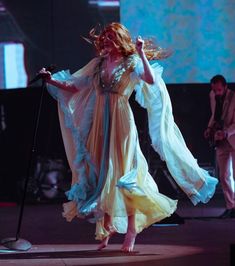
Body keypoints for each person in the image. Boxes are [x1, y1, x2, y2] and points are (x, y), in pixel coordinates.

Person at [39, 22, 218, 252]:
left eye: (110, 37)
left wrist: (141, 53)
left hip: (122, 122)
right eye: (104, 37)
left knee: (124, 174)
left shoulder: (130, 62)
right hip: (100, 124)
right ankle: (105, 229)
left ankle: (131, 232)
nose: (105, 41)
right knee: (102, 175)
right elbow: (76, 86)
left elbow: (151, 80)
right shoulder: (98, 65)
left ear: (119, 39)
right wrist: (51, 80)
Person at [204, 75, 235, 218]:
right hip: (220, 141)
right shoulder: (212, 95)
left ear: (225, 87)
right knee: (223, 176)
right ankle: (231, 206)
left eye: (219, 90)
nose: (216, 92)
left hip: (232, 138)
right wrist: (209, 128)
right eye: (214, 89)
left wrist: (226, 132)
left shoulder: (233, 98)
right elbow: (214, 114)